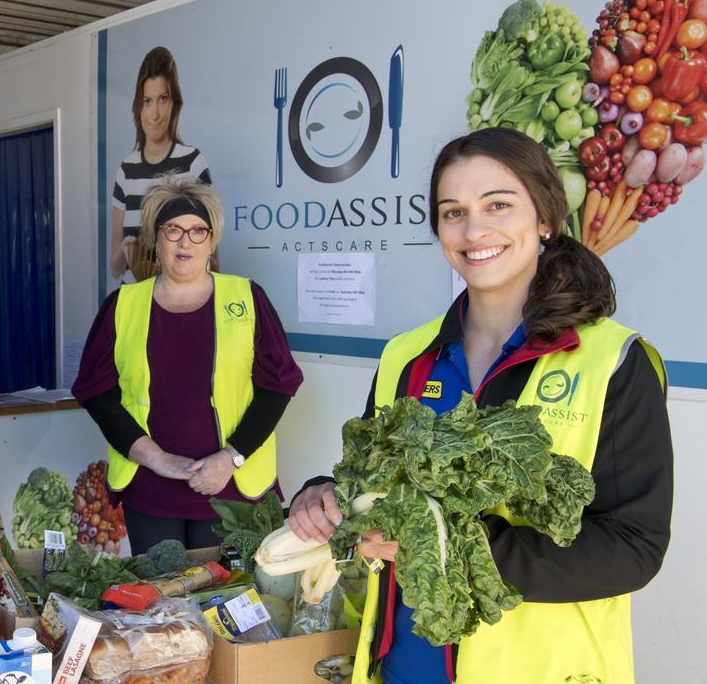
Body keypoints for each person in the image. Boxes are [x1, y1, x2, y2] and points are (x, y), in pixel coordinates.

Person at [288, 127, 673, 684]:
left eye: (498, 205)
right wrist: (323, 495)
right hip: (406, 664)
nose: (474, 230)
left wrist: (455, 542)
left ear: (544, 217)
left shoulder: (615, 360)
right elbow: (374, 484)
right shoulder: (406, 355)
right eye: (453, 212)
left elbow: (634, 548)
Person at [74, 177, 302, 553]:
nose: (185, 242)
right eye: (173, 230)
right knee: (161, 606)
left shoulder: (247, 298)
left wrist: (230, 458)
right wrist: (156, 458)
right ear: (155, 238)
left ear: (212, 241)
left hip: (231, 490)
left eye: (198, 231)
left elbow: (278, 385)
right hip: (151, 490)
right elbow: (96, 392)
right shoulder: (123, 304)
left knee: (223, 603)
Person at [111, 46, 213, 283]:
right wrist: (125, 251)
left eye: (162, 99)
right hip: (136, 300)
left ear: (174, 103)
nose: (154, 114)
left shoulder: (193, 163)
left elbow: (211, 255)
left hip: (180, 300)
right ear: (139, 106)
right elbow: (115, 268)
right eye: (147, 101)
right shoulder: (127, 170)